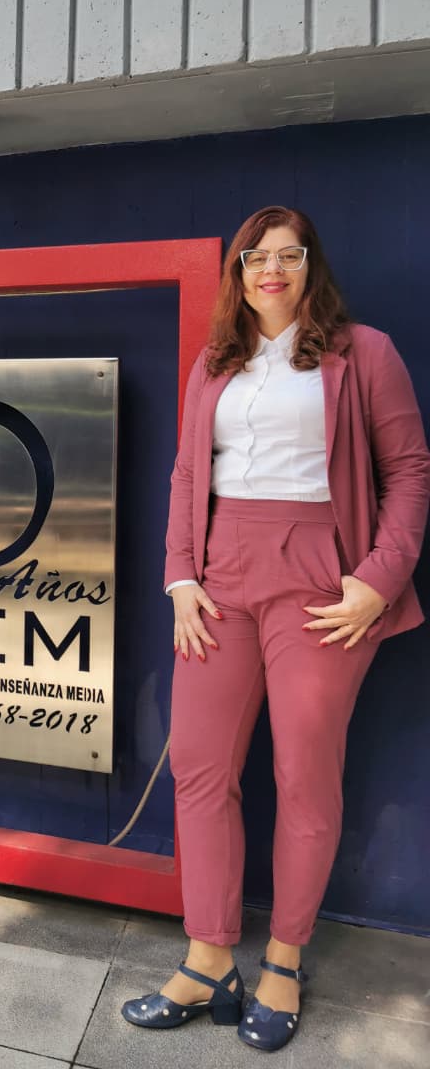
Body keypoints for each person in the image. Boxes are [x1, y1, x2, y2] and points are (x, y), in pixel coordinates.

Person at [121, 207, 430, 1051]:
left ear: (309, 267)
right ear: (238, 270)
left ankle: (284, 958)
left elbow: (407, 469)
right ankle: (208, 955)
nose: (271, 270)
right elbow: (190, 470)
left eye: (288, 256)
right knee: (200, 768)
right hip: (220, 580)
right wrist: (179, 574)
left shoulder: (363, 352)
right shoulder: (213, 361)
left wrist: (378, 581)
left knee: (305, 777)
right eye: (256, 256)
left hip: (322, 586)